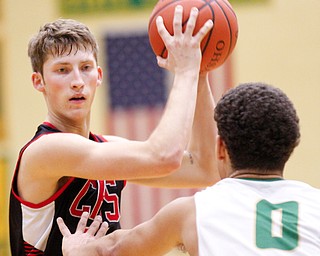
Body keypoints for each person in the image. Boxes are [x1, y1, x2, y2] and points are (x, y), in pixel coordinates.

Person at [9, 6, 219, 256]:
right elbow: (163, 156)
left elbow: (206, 168)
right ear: (39, 82)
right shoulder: (45, 150)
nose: (77, 80)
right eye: (62, 70)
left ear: (98, 75)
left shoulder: (102, 146)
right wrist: (185, 72)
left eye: (85, 67)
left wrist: (200, 71)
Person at [58, 82, 320, 255]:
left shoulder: (192, 212)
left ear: (220, 148)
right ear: (290, 147)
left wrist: (75, 249)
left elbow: (111, 249)